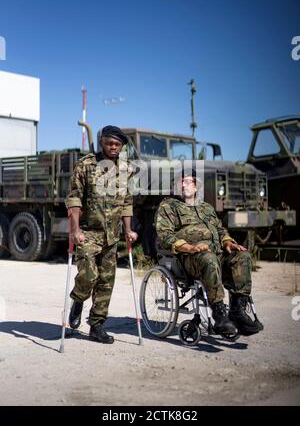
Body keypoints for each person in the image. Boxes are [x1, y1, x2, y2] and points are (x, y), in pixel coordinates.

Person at [155, 171, 263, 336]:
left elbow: (220, 230)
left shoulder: (206, 207)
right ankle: (219, 314)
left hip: (217, 254)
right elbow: (164, 235)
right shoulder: (168, 206)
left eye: (188, 181)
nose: (184, 184)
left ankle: (237, 310)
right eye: (180, 181)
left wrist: (228, 242)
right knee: (209, 259)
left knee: (243, 257)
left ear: (196, 186)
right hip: (190, 258)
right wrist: (188, 247)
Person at [65, 125, 138, 344]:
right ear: (102, 143)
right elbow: (74, 199)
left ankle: (97, 326)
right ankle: (78, 300)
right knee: (88, 275)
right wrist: (75, 230)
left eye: (117, 144)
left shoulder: (126, 170)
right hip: (88, 232)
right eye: (109, 143)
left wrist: (128, 230)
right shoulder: (85, 165)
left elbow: (126, 203)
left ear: (122, 146)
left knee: (106, 282)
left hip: (112, 236)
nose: (113, 147)